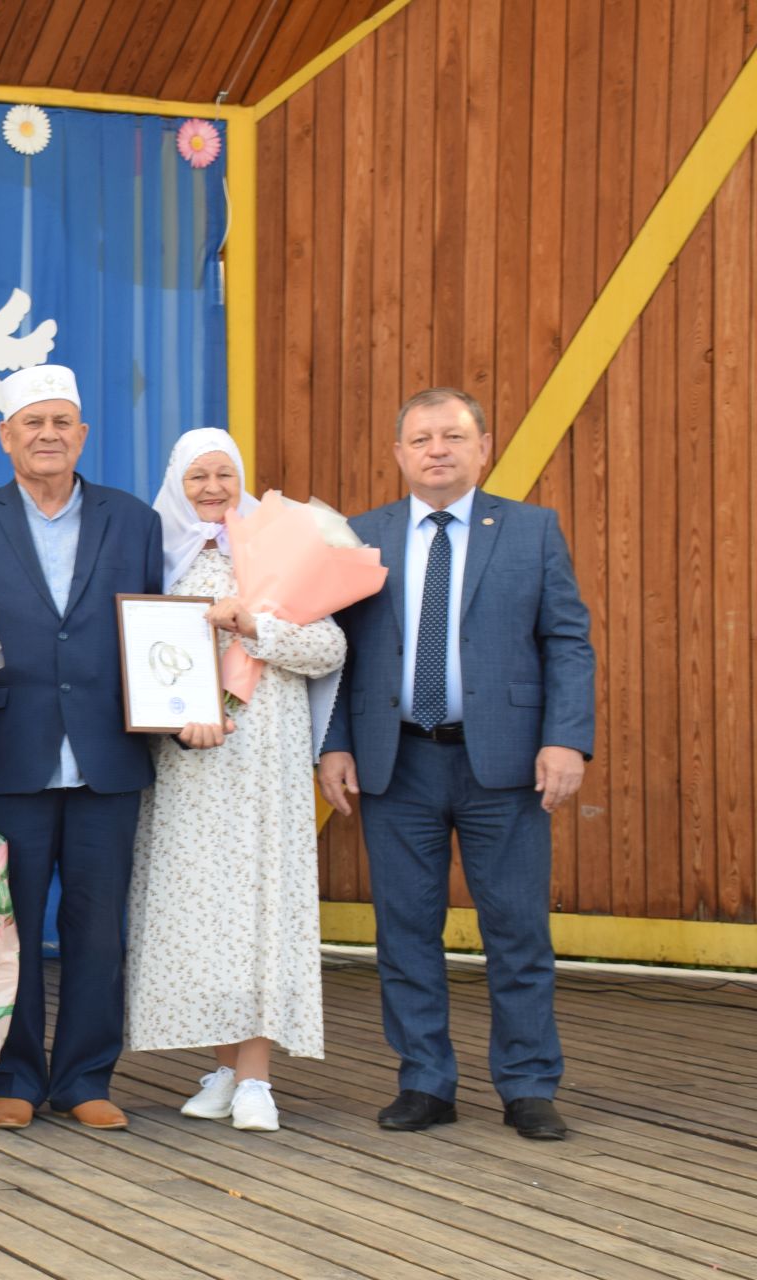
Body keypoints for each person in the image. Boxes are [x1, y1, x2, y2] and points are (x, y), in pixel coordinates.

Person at [318, 388, 594, 1141]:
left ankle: (529, 1083)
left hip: (501, 765)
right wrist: (334, 742)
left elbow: (567, 639)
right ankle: (425, 1079)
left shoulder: (533, 531)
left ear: (482, 446)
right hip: (395, 762)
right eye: (420, 438)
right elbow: (336, 653)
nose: (436, 450)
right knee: (405, 930)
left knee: (517, 931)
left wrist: (566, 738)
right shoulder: (361, 536)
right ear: (399, 453)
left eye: (452, 436)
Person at [0, 363, 162, 1131]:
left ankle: (88, 1078)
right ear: (6, 436)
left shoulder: (134, 521)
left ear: (83, 434)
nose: (49, 435)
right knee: (5, 924)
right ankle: (11, 1080)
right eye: (33, 423)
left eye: (62, 422)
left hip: (107, 757)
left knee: (100, 929)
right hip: (3, 756)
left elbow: (159, 634)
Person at [124, 428, 347, 1132]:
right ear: (176, 486)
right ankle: (225, 1066)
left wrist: (254, 625)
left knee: (258, 910)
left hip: (262, 760)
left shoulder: (279, 555)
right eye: (198, 477)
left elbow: (329, 646)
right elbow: (139, 657)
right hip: (190, 765)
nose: (213, 487)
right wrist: (173, 720)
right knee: (201, 916)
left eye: (225, 473)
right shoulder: (155, 557)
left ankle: (257, 1075)